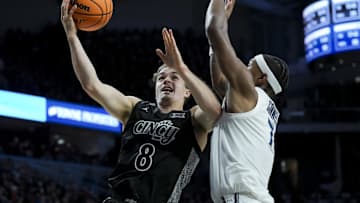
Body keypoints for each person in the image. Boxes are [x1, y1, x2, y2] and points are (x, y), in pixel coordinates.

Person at [60, 0, 221, 202]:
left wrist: (183, 69)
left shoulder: (193, 120)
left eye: (174, 77)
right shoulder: (134, 108)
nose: (166, 81)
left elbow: (215, 113)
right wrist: (72, 36)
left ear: (188, 91)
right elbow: (92, 85)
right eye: (161, 77)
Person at [205, 0, 290, 202]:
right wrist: (219, 30)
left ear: (262, 79)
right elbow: (219, 83)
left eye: (251, 65)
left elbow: (213, 29)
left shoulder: (252, 94)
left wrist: (219, 12)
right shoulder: (262, 106)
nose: (244, 66)